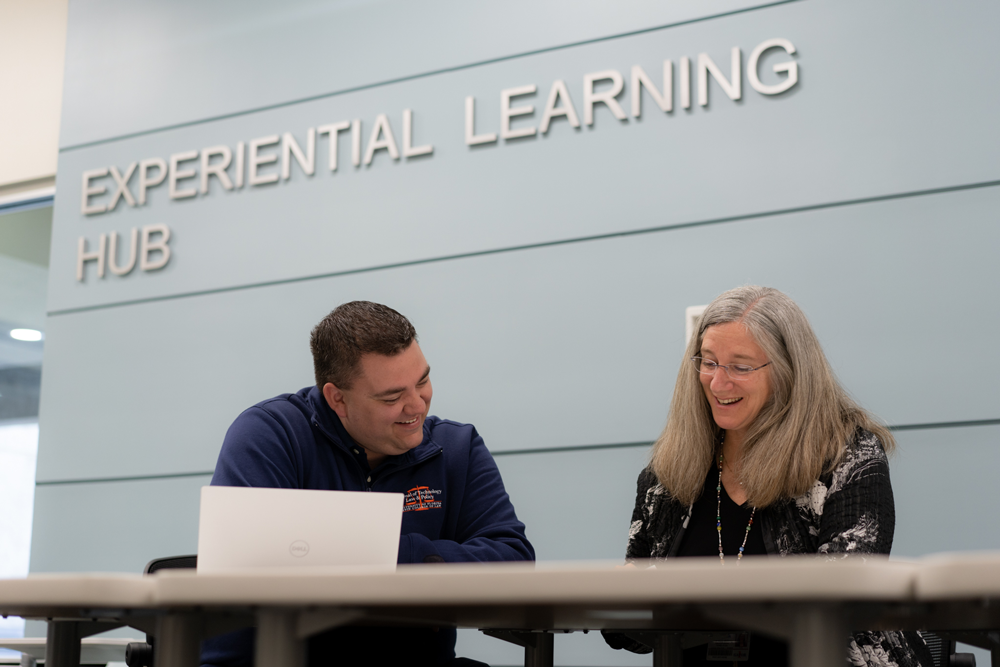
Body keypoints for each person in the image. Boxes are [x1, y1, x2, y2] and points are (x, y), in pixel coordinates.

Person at [603, 285, 931, 667]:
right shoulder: (666, 478)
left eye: (741, 367)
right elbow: (632, 632)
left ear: (791, 371)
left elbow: (844, 594)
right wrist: (619, 599)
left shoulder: (848, 459)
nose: (718, 383)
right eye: (708, 362)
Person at [201, 301, 534, 667]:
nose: (416, 406)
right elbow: (254, 569)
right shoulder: (269, 436)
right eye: (392, 397)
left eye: (422, 381)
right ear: (337, 399)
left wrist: (391, 556)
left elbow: (513, 562)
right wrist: (423, 564)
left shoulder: (456, 448)